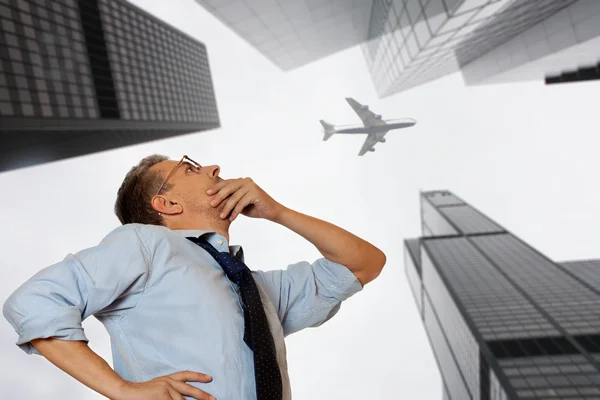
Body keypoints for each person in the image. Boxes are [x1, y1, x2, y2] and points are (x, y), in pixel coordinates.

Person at [3, 154, 386, 400]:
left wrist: (277, 212)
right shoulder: (146, 243)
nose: (215, 168)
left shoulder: (261, 291)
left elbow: (362, 264)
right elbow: (36, 302)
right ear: (167, 204)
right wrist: (121, 390)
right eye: (190, 168)